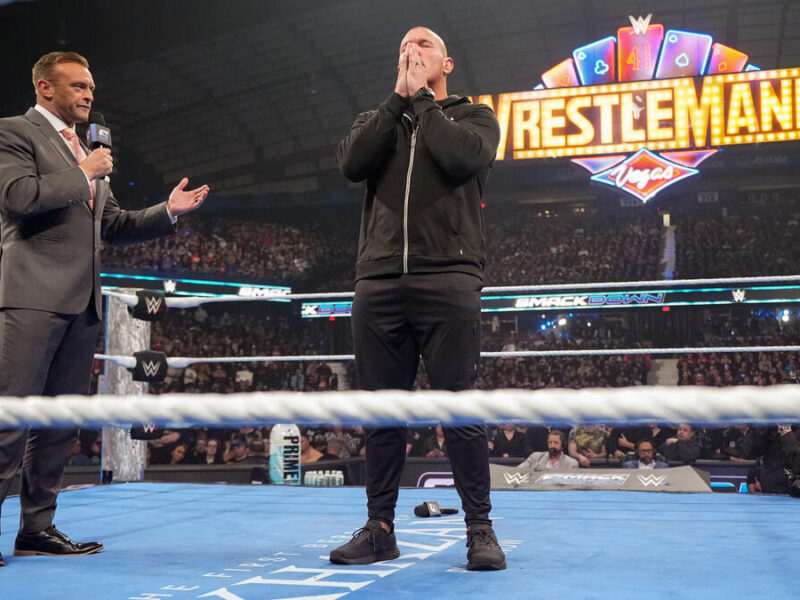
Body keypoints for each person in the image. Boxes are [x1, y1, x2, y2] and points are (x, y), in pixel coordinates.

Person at [0, 51, 209, 566]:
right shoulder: (15, 132)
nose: (89, 95)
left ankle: (37, 528)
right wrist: (84, 170)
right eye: (78, 86)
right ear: (46, 88)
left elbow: (111, 224)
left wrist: (167, 211)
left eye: (91, 87)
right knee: (9, 421)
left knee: (60, 424)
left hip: (82, 305)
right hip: (31, 299)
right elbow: (18, 198)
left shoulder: (89, 148)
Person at [328, 26, 504, 571]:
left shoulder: (475, 117)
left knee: (458, 408)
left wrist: (423, 101)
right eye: (404, 46)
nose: (412, 50)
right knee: (383, 412)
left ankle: (479, 528)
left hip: (448, 276)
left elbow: (460, 158)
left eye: (424, 45)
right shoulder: (377, 119)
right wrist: (397, 102)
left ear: (446, 63)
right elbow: (351, 164)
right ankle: (379, 528)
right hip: (378, 281)